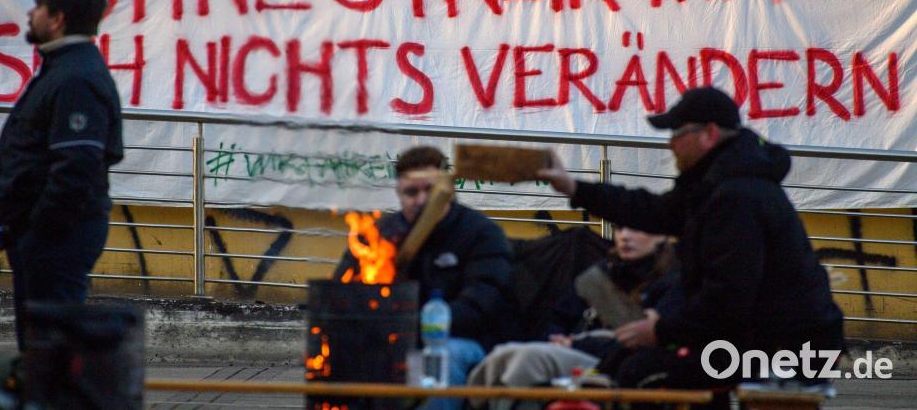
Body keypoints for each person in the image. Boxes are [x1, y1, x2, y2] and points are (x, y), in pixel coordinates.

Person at [539, 87, 844, 389]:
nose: (671, 144)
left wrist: (661, 330)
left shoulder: (736, 197)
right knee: (628, 363)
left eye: (677, 133)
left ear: (708, 134)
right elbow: (651, 210)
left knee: (640, 372)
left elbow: (729, 296)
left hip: (786, 350)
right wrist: (574, 188)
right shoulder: (714, 183)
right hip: (759, 339)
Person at [0, 0, 124, 351]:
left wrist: (40, 230)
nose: (30, 14)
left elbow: (77, 165)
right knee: (40, 347)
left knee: (51, 349)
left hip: (56, 239)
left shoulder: (75, 78)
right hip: (45, 238)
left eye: (39, 7)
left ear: (57, 18)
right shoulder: (64, 69)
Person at [334, 146, 513, 409]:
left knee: (440, 357)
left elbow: (479, 308)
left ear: (448, 191)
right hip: (394, 340)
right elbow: (342, 293)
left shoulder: (482, 234)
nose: (420, 200)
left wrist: (407, 328)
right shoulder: (379, 236)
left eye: (430, 190)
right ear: (399, 194)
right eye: (411, 192)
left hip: (466, 343)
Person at [467, 227, 678, 408]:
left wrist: (575, 344)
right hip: (573, 348)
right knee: (503, 353)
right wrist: (554, 338)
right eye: (620, 229)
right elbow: (558, 315)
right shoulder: (601, 273)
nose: (625, 236)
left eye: (636, 229)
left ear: (661, 235)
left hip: (613, 361)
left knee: (528, 358)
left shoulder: (672, 282)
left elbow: (638, 340)